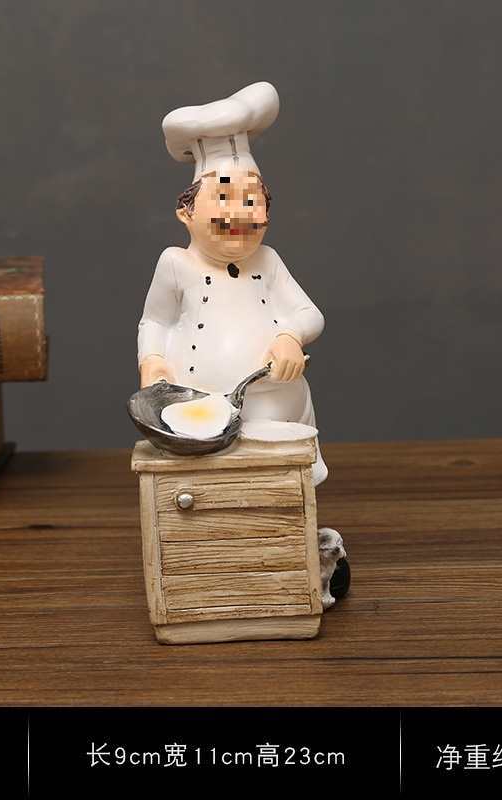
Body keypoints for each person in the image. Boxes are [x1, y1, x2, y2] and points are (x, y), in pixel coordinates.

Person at [137, 82, 348, 603]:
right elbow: (154, 322)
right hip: (196, 412)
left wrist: (289, 336)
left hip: (275, 405)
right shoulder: (175, 264)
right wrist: (153, 363)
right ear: (186, 213)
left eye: (252, 200)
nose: (240, 213)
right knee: (211, 492)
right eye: (224, 198)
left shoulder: (269, 262)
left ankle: (291, 562)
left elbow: (308, 313)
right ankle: (214, 570)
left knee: (275, 486)